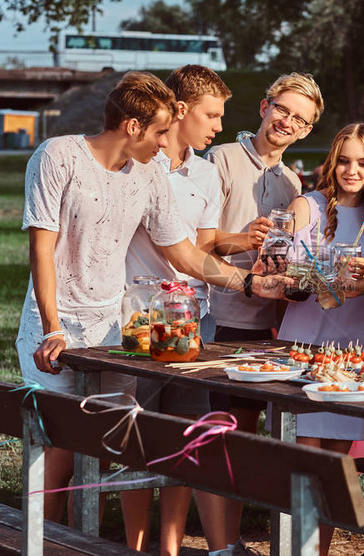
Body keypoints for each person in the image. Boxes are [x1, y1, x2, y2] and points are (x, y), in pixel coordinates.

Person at [15, 71, 289, 526]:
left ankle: (84, 544)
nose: (166, 144)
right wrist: (52, 329)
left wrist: (247, 284)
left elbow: (182, 251)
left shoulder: (148, 176)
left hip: (112, 334)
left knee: (102, 450)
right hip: (54, 330)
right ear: (132, 126)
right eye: (161, 131)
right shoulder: (58, 156)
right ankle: (36, 544)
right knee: (59, 452)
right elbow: (41, 249)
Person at [203, 72, 324, 552]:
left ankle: (232, 539)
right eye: (283, 109)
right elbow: (196, 242)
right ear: (263, 107)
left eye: (300, 118)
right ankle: (221, 545)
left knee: (248, 437)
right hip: (220, 317)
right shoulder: (221, 159)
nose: (287, 121)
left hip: (268, 326)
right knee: (221, 436)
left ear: (308, 130)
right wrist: (242, 241)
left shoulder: (292, 180)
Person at [121, 65, 232, 556]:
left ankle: (168, 548)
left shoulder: (206, 173)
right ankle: (135, 546)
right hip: (140, 321)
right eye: (212, 114)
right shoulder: (138, 162)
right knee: (139, 436)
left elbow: (202, 249)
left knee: (186, 438)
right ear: (180, 110)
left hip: (191, 321)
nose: (219, 126)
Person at [276, 123, 364, 555]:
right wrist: (317, 274)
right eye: (344, 160)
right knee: (304, 464)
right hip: (302, 348)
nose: (351, 170)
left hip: (350, 355)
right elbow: (285, 276)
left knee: (338, 469)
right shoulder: (309, 205)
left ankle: (318, 552)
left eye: (362, 162)